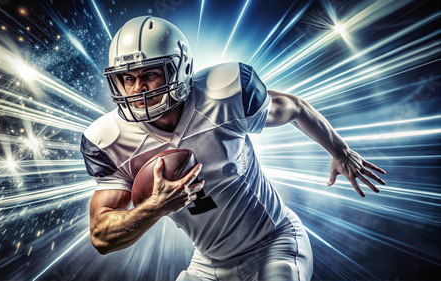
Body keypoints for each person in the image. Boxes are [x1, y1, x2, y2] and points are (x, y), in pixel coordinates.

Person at [80, 16, 386, 281]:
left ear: (180, 68)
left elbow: (294, 108)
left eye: (149, 74)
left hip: (274, 240)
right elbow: (101, 236)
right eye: (127, 78)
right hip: (208, 264)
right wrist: (155, 207)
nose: (138, 89)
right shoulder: (110, 140)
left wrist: (340, 151)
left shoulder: (223, 96)